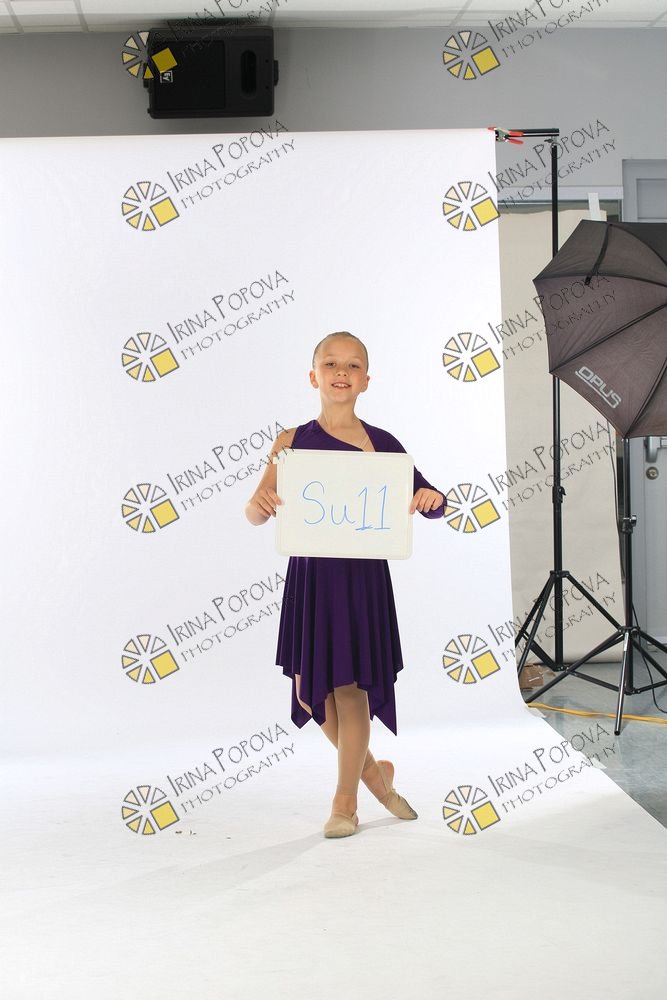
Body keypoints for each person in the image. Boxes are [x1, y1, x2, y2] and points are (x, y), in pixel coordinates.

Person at [245, 332, 444, 838]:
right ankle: (376, 776)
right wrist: (260, 505)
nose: (341, 372)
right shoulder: (290, 441)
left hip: (360, 581)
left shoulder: (382, 443)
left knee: (350, 690)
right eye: (331, 363)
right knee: (310, 695)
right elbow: (255, 509)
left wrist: (430, 499)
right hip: (311, 580)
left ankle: (345, 802)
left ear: (366, 381)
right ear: (313, 376)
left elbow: (430, 498)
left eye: (353, 365)